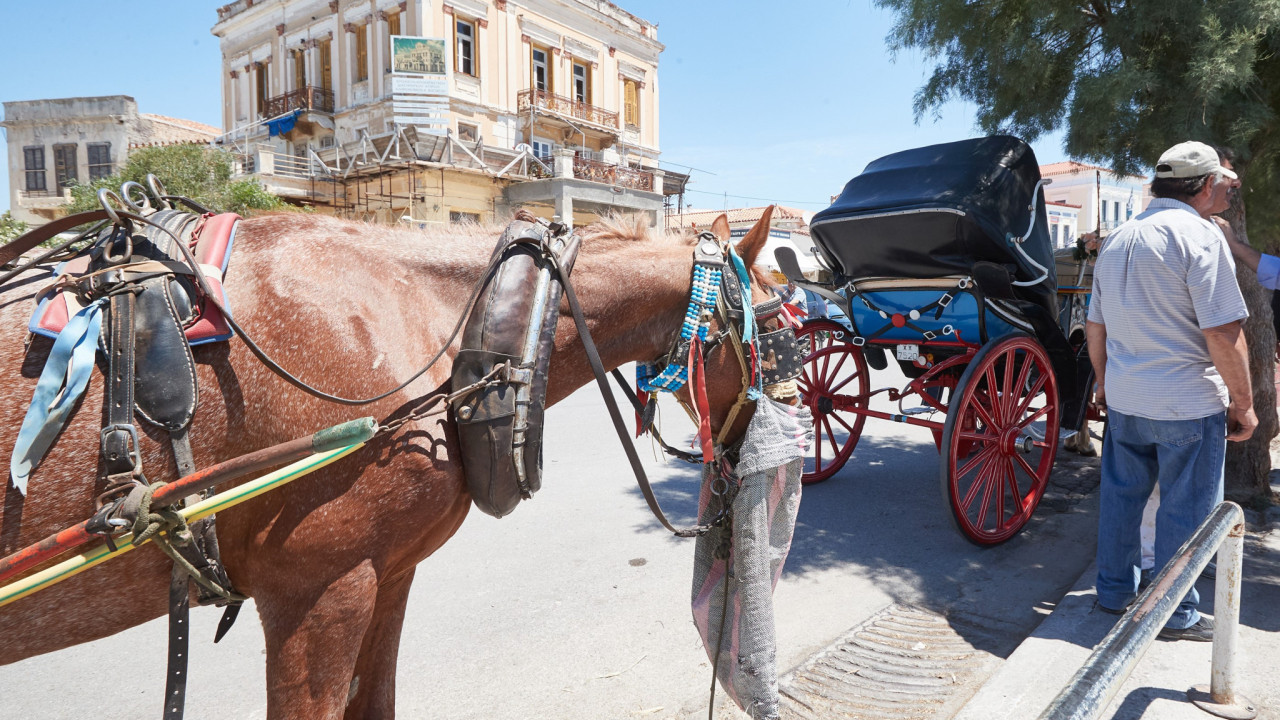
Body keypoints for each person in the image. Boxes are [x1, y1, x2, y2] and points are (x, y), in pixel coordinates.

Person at [1087, 140, 1256, 642]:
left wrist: (1102, 384)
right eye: (1225, 182)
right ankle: (1174, 614)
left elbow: (1096, 327)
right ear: (1204, 184)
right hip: (1186, 401)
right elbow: (1223, 333)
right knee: (1185, 511)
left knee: (1121, 499)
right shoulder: (1200, 238)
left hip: (1126, 396)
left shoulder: (1117, 239)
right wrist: (1243, 403)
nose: (1228, 190)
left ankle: (1114, 593)